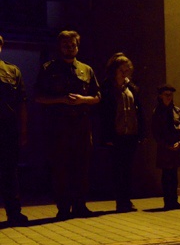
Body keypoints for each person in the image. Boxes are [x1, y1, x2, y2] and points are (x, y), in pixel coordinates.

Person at [35, 30, 100, 220]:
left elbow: (97, 97)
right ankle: (63, 208)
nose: (69, 48)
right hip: (58, 127)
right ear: (59, 47)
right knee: (61, 168)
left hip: (81, 126)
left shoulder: (86, 70)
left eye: (73, 45)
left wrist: (82, 99)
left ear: (77, 46)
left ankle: (80, 206)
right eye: (66, 45)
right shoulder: (49, 69)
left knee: (82, 166)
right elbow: (38, 97)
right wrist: (61, 99)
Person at [98, 53, 146, 213]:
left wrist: (141, 133)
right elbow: (103, 114)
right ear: (114, 70)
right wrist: (106, 135)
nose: (125, 73)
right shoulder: (107, 88)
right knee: (117, 169)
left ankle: (127, 200)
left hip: (130, 134)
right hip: (116, 135)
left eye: (127, 69)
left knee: (128, 168)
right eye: (121, 69)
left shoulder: (132, 87)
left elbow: (138, 111)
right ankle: (120, 201)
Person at [0, 35, 29, 226]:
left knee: (10, 172)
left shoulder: (12, 71)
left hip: (7, 130)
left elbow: (21, 104)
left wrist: (23, 130)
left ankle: (14, 212)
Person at [152, 84, 180, 210]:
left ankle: (174, 200)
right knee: (166, 176)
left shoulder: (177, 111)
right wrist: (166, 145)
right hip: (165, 149)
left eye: (170, 95)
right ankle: (168, 200)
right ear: (161, 96)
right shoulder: (157, 112)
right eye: (166, 95)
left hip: (176, 148)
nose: (169, 97)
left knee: (174, 176)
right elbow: (156, 132)